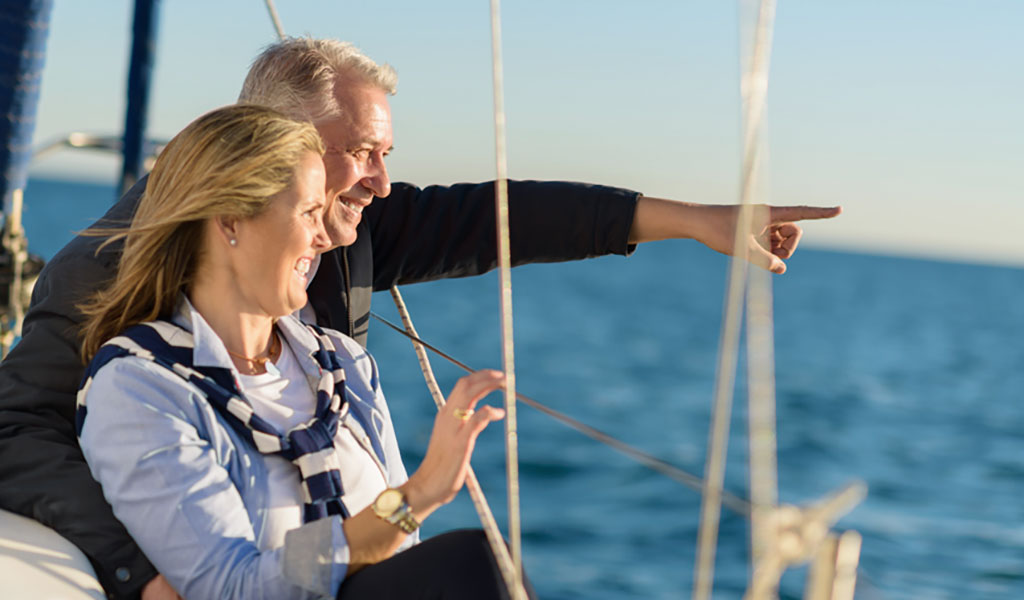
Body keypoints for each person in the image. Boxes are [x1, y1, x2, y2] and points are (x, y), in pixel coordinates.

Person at [0, 38, 840, 599]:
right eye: (361, 152)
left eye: (386, 156)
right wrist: (142, 571)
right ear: (273, 147)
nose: (381, 182)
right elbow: (18, 432)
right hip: (245, 564)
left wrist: (693, 221)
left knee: (477, 565)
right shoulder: (125, 334)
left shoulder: (335, 310)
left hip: (331, 563)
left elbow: (498, 218)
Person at [77, 104, 529, 599]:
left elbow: (403, 552)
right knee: (475, 567)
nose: (322, 236)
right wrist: (413, 498)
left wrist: (406, 509)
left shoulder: (344, 365)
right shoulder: (141, 386)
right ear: (231, 219)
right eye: (310, 212)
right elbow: (231, 587)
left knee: (482, 569)